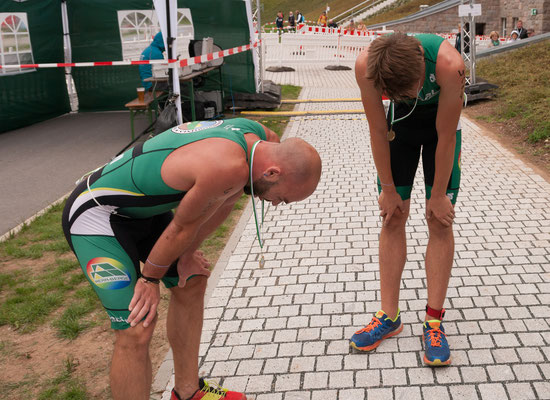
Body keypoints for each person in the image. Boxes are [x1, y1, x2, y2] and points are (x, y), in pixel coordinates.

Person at [62, 118, 322, 400]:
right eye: (281, 199)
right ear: (272, 173)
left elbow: (225, 202)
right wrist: (150, 279)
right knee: (136, 328)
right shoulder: (229, 165)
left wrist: (186, 255)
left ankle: (187, 392)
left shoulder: (260, 139)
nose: (273, 204)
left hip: (142, 211)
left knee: (192, 280)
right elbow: (181, 228)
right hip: (96, 215)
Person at [351, 32, 464, 367]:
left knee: (438, 220)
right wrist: (387, 189)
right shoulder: (365, 66)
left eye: (415, 88)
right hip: (398, 128)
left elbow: (445, 136)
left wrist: (440, 194)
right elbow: (376, 130)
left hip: (439, 131)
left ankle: (433, 321)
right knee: (393, 216)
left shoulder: (449, 65)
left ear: (421, 66)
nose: (413, 94)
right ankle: (389, 315)